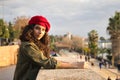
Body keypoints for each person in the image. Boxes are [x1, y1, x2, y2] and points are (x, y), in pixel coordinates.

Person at [13, 15, 81, 80]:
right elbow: (46, 62)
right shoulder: (27, 46)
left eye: (43, 30)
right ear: (31, 29)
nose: (40, 32)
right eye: (37, 28)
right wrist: (75, 65)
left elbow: (46, 59)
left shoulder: (36, 44)